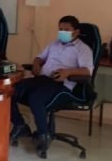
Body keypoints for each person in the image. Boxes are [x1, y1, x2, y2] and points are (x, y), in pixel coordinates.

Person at [10, 15, 93, 153]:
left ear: (76, 32)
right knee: (11, 90)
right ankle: (20, 125)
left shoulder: (83, 49)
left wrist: (68, 72)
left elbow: (87, 71)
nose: (62, 32)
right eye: (60, 29)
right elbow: (40, 57)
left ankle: (44, 134)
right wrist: (36, 64)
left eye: (66, 30)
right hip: (43, 78)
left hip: (61, 84)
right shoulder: (54, 44)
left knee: (36, 98)